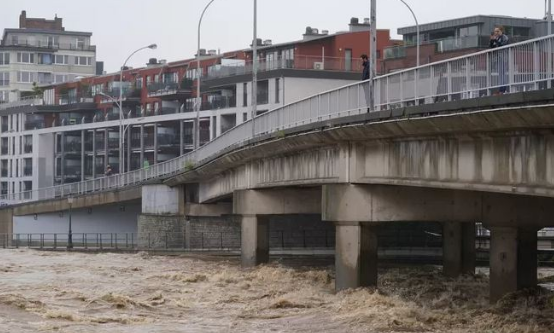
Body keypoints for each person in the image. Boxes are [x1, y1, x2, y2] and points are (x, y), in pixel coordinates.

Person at [489, 26, 509, 94]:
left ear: (501, 31)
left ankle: (503, 89)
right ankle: (501, 89)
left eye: (498, 31)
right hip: (497, 58)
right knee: (500, 74)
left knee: (503, 73)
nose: (496, 33)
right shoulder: (496, 38)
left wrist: (496, 41)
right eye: (495, 31)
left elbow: (502, 45)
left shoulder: (504, 37)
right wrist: (492, 41)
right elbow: (492, 47)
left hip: (504, 57)